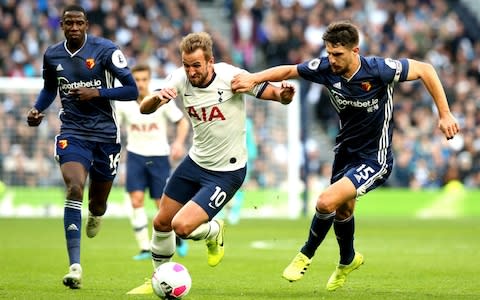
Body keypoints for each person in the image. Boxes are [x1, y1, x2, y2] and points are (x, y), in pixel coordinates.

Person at [231, 21, 460, 291]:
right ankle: (347, 259)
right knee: (344, 210)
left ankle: (306, 253)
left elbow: (426, 69)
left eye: (338, 54)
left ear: (355, 51)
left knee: (326, 201)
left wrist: (444, 114)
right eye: (328, 53)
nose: (331, 59)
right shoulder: (326, 69)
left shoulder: (379, 69)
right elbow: (290, 70)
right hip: (345, 153)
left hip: (375, 158)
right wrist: (254, 78)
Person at [127, 31, 295, 294]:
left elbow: (274, 94)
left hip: (227, 172)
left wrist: (284, 95)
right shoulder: (179, 79)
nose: (191, 71)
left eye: (196, 65)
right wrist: (159, 98)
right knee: (161, 222)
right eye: (186, 65)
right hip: (195, 162)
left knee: (181, 227)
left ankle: (214, 231)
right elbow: (144, 108)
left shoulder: (231, 77)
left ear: (210, 61)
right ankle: (157, 278)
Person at [26, 4, 138, 289]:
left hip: (106, 136)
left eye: (78, 23)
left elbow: (132, 89)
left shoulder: (106, 50)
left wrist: (97, 92)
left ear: (86, 24)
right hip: (72, 132)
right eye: (68, 24)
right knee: (75, 186)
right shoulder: (52, 54)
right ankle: (75, 265)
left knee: (97, 203)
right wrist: (37, 110)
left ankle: (97, 213)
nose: (74, 28)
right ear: (61, 26)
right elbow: (50, 88)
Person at [115, 64, 190, 260]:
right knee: (136, 201)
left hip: (159, 156)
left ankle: (177, 240)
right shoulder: (124, 103)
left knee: (162, 205)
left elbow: (182, 122)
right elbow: (114, 126)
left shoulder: (160, 100)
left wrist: (179, 143)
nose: (140, 83)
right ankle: (144, 248)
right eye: (137, 80)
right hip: (135, 156)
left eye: (144, 79)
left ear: (149, 80)